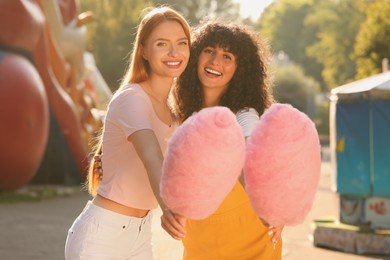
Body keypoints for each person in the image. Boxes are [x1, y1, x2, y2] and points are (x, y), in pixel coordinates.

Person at [64, 6, 190, 259]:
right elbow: (152, 158)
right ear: (143, 50)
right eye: (162, 44)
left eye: (182, 43)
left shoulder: (175, 111)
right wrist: (168, 208)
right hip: (102, 236)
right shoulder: (132, 99)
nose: (174, 52)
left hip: (141, 234)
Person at [166, 21, 284, 259]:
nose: (215, 61)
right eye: (209, 51)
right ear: (196, 56)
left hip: (248, 241)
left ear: (240, 70)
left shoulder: (244, 114)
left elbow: (250, 157)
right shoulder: (181, 116)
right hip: (200, 242)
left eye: (227, 56)